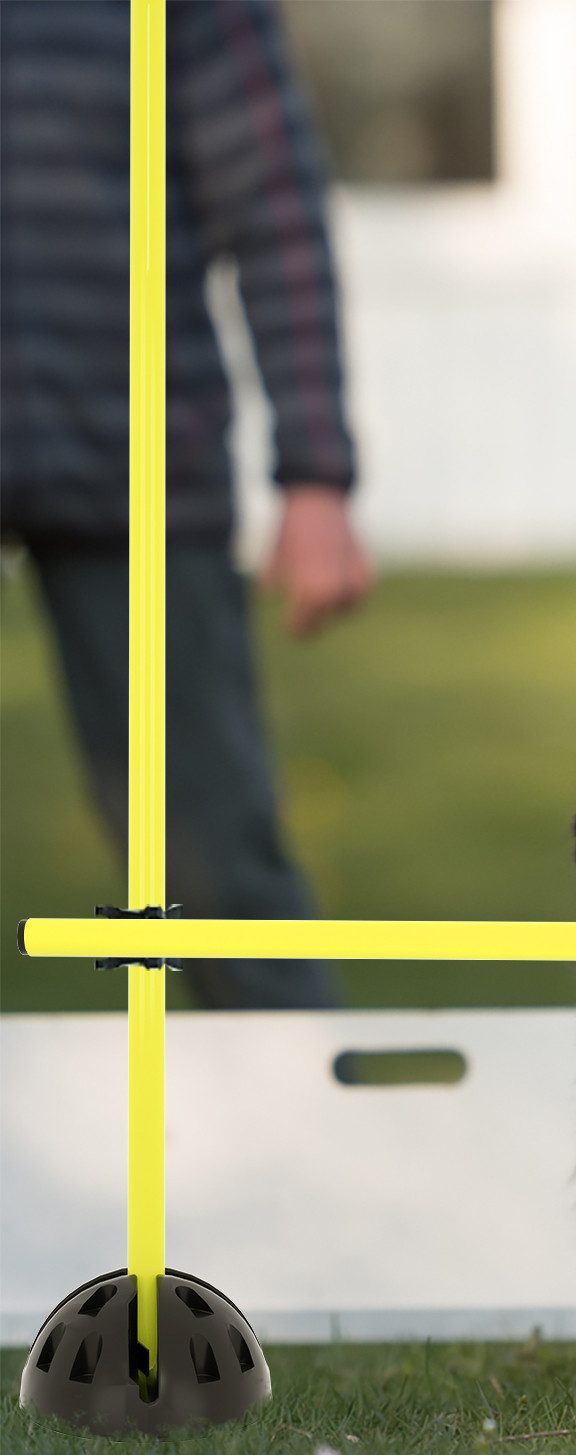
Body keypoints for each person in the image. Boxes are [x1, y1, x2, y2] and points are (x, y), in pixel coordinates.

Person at [0, 0, 369, 1008]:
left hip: (143, 462)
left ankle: (309, 1149)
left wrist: (315, 475)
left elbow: (275, 209)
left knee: (210, 873)